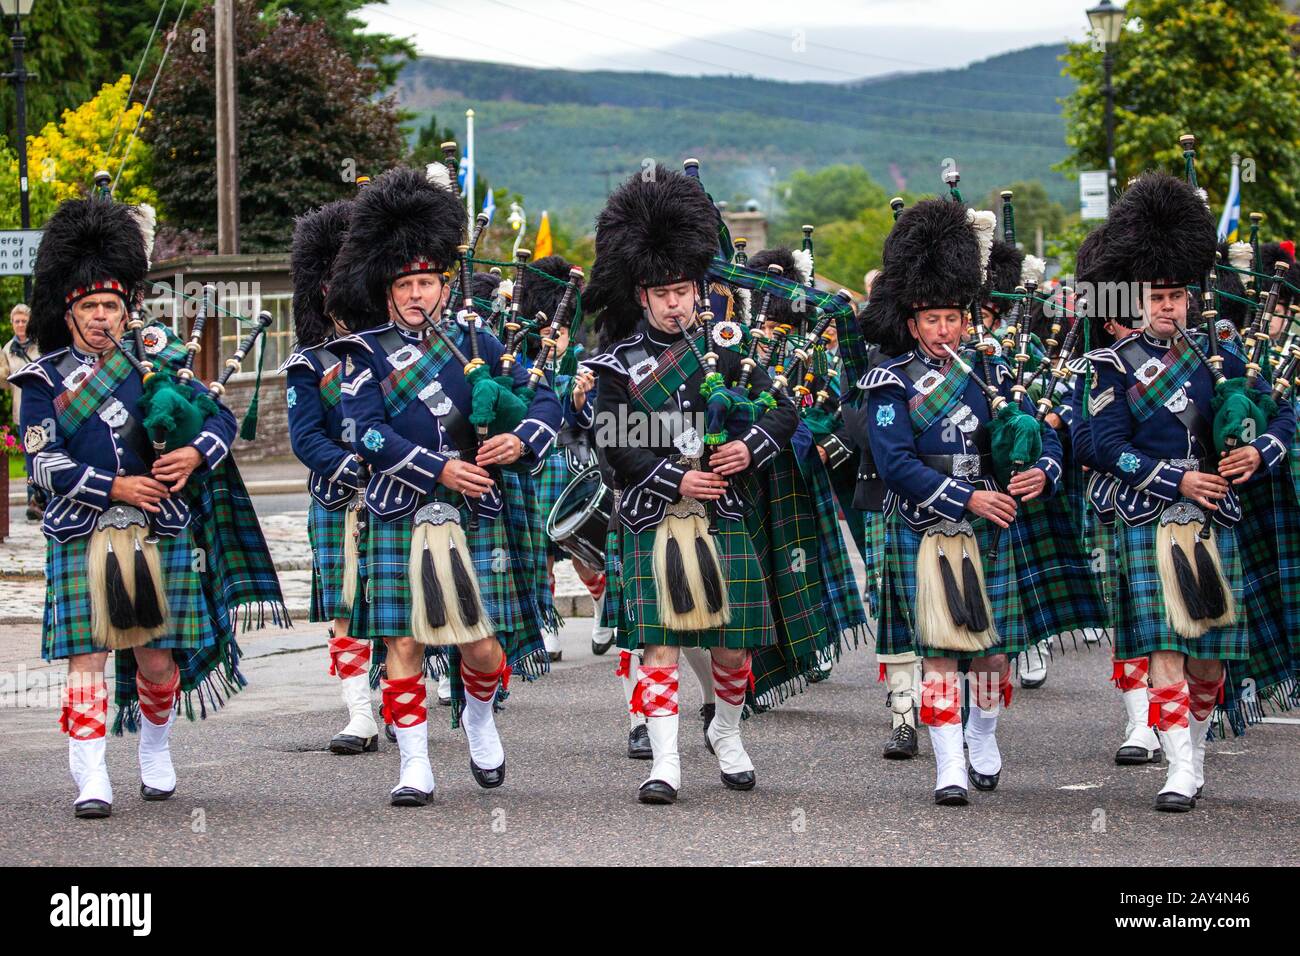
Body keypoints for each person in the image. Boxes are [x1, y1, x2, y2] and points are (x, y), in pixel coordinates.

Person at [14, 196, 262, 819]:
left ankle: (155, 749)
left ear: (128, 312)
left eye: (113, 307)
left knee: (157, 660)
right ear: (69, 312)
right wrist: (113, 487)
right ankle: (91, 775)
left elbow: (222, 418)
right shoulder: (41, 381)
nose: (103, 317)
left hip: (158, 531)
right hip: (80, 531)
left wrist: (195, 457)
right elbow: (40, 461)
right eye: (91, 307)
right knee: (87, 657)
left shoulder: (154, 369)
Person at [327, 166, 561, 806]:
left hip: (475, 509)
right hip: (399, 507)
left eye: (426, 282)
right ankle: (414, 765)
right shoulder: (364, 354)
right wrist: (436, 467)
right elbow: (364, 434)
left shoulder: (479, 341)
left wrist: (522, 440)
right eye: (404, 284)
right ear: (387, 288)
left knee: (481, 645)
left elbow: (546, 400)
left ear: (442, 283)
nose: (416, 295)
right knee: (401, 639)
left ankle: (478, 717)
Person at [586, 165, 799, 804]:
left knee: (732, 653)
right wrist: (676, 475)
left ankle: (727, 734)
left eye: (683, 290)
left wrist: (746, 447)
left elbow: (785, 409)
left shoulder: (726, 352)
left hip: (723, 515)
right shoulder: (616, 366)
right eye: (662, 293)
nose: (675, 302)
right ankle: (664, 763)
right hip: (653, 516)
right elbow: (613, 442)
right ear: (642, 297)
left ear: (697, 288)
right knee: (661, 647)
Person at [1084, 172, 1295, 811]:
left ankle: (1195, 752)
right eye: (1155, 297)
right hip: (1150, 514)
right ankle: (1177, 767)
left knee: (1210, 661)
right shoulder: (1111, 366)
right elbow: (1099, 446)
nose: (1166, 307)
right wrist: (1175, 475)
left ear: (1188, 297)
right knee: (1165, 646)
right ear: (1136, 300)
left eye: (1175, 295)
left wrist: (1261, 450)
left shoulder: (1227, 361)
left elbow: (1287, 415)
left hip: (1214, 519)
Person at [861, 198, 1063, 806]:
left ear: (965, 319)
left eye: (952, 318)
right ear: (913, 322)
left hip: (991, 525)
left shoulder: (996, 373)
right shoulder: (888, 380)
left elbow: (1044, 430)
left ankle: (982, 733)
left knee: (993, 656)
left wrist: (1041, 471)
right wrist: (965, 498)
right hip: (927, 524)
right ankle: (948, 762)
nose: (942, 329)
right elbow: (895, 463)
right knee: (940, 652)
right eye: (931, 320)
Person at [283, 199, 380, 755]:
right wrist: (352, 470)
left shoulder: (388, 353)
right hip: (338, 498)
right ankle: (359, 716)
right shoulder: (307, 364)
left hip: (394, 493)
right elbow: (304, 438)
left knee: (392, 604)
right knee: (345, 608)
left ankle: (399, 700)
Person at [0, 303, 45, 519]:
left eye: (23, 321)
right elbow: (4, 382)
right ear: (12, 324)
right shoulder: (8, 349)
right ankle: (33, 500)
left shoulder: (40, 345)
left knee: (46, 453)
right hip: (22, 410)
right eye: (16, 321)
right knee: (30, 457)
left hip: (45, 407)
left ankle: (46, 498)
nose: (20, 325)